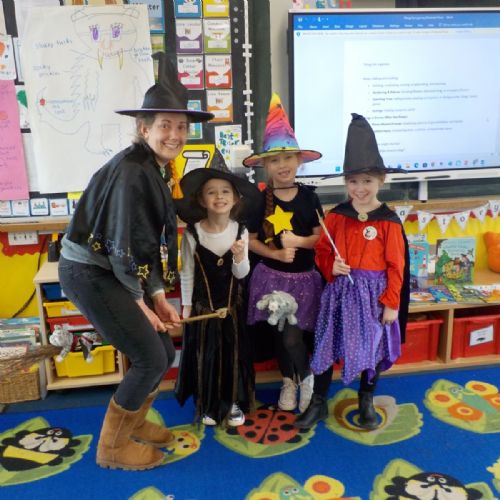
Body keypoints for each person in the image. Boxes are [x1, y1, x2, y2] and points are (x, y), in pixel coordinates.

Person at [58, 52, 214, 470]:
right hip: (90, 272)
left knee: (162, 351)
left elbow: (145, 245)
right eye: (165, 125)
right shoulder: (133, 171)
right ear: (144, 128)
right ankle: (112, 448)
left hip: (114, 270)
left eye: (181, 127)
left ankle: (134, 423)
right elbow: (121, 244)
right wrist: (140, 303)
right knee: (149, 357)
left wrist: (158, 296)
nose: (175, 135)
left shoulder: (154, 168)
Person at [295, 113, 410, 430]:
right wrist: (331, 266)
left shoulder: (388, 221)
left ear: (381, 180)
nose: (360, 188)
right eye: (353, 181)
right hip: (340, 294)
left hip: (374, 297)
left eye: (367, 181)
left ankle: (366, 398)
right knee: (325, 344)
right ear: (346, 182)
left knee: (371, 347)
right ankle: (318, 402)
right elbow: (322, 251)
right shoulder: (336, 216)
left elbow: (396, 265)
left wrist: (391, 303)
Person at [244, 93, 324, 414]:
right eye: (275, 160)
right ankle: (289, 381)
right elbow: (250, 240)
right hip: (272, 280)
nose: (283, 165)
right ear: (265, 165)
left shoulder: (309, 198)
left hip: (304, 281)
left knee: (295, 336)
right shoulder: (259, 200)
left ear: (299, 161)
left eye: (288, 158)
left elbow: (320, 238)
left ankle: (306, 379)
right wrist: (275, 255)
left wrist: (298, 241)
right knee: (281, 333)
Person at [174, 151, 260, 426]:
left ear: (235, 198)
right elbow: (187, 272)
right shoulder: (192, 233)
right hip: (203, 309)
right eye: (211, 192)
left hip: (232, 308)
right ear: (201, 199)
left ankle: (233, 402)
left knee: (232, 356)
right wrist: (187, 307)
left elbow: (242, 273)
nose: (219, 196)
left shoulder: (240, 231)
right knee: (207, 357)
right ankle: (209, 404)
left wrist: (240, 256)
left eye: (225, 191)